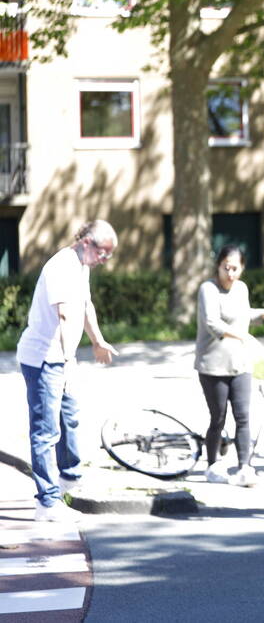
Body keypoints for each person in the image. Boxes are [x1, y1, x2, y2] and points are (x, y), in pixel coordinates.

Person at [17, 220, 120, 522]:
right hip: (43, 358)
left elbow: (85, 305)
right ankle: (47, 503)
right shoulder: (62, 266)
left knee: (69, 415)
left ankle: (70, 478)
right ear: (87, 242)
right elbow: (65, 315)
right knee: (46, 430)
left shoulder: (81, 265)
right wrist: (67, 359)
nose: (105, 260)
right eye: (104, 253)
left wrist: (98, 341)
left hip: (59, 358)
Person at [194, 245, 264, 486]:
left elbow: (242, 314)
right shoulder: (208, 289)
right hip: (213, 364)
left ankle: (245, 467)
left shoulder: (241, 288)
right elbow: (212, 323)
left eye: (236, 268)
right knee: (218, 417)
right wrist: (243, 336)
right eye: (226, 268)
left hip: (240, 363)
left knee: (243, 416)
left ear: (242, 268)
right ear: (218, 266)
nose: (230, 273)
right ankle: (212, 466)